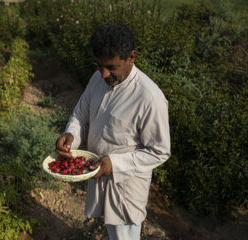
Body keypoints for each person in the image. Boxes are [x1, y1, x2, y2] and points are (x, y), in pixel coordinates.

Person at [55, 22, 170, 240]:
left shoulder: (149, 98)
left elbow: (160, 151)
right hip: (99, 171)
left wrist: (115, 164)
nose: (104, 74)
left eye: (111, 67)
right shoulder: (97, 79)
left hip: (125, 185)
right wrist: (71, 135)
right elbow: (81, 114)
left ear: (131, 57)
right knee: (111, 230)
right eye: (99, 66)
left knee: (123, 234)